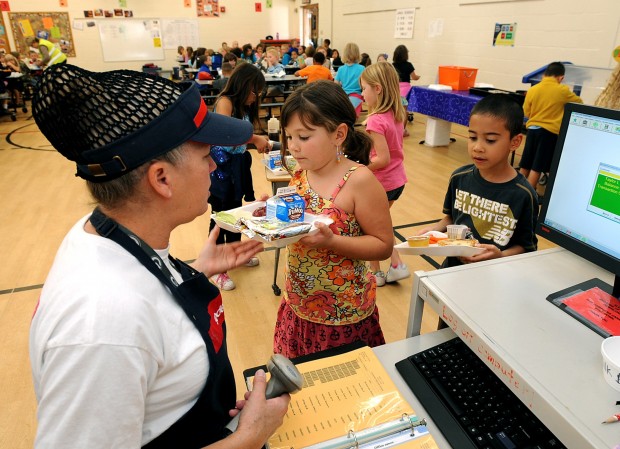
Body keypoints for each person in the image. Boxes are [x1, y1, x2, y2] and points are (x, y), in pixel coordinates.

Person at [29, 64, 289, 449]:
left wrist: (192, 272)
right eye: (205, 156)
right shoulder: (102, 327)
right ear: (162, 178)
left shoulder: (104, 230)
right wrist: (249, 436)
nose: (215, 165)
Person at [273, 80, 394, 358]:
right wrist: (271, 209)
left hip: (343, 313)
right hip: (298, 303)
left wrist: (332, 242)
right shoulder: (301, 171)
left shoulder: (359, 180)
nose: (293, 146)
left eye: (304, 137)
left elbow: (383, 245)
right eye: (289, 137)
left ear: (338, 134)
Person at [417, 94, 539, 269]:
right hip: (452, 268)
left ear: (515, 142)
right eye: (473, 137)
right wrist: (434, 231)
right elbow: (452, 218)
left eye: (490, 140)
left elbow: (526, 247)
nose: (477, 147)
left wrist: (500, 255)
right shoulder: (459, 177)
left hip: (494, 276)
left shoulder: (524, 194)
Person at [208, 63, 271, 291]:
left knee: (235, 215)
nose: (256, 97)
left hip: (236, 167)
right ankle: (216, 266)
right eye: (255, 91)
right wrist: (255, 139)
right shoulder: (225, 102)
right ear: (244, 85)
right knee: (220, 216)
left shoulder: (243, 107)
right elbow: (226, 136)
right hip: (221, 168)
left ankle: (234, 255)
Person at [360, 62, 410, 286]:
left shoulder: (375, 120)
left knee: (371, 226)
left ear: (377, 89)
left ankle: (378, 272)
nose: (362, 94)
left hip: (383, 182)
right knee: (380, 223)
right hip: (397, 180)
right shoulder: (396, 113)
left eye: (364, 89)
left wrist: (359, 168)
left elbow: (382, 159)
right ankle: (392, 266)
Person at [519, 62, 583, 189]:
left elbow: (526, 111)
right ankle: (530, 193)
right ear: (561, 78)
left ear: (544, 75)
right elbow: (579, 103)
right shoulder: (562, 90)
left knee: (526, 163)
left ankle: (517, 188)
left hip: (532, 130)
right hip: (549, 133)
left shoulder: (533, 89)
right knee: (537, 165)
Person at [392, 45, 420, 137]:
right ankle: (402, 130)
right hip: (406, 91)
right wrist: (418, 77)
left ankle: (394, 129)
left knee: (395, 111)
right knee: (405, 112)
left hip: (395, 90)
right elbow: (414, 77)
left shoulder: (392, 66)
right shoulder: (409, 65)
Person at [334, 43, 365, 116]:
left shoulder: (341, 69)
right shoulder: (362, 68)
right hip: (357, 97)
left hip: (344, 97)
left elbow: (336, 84)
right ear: (357, 54)